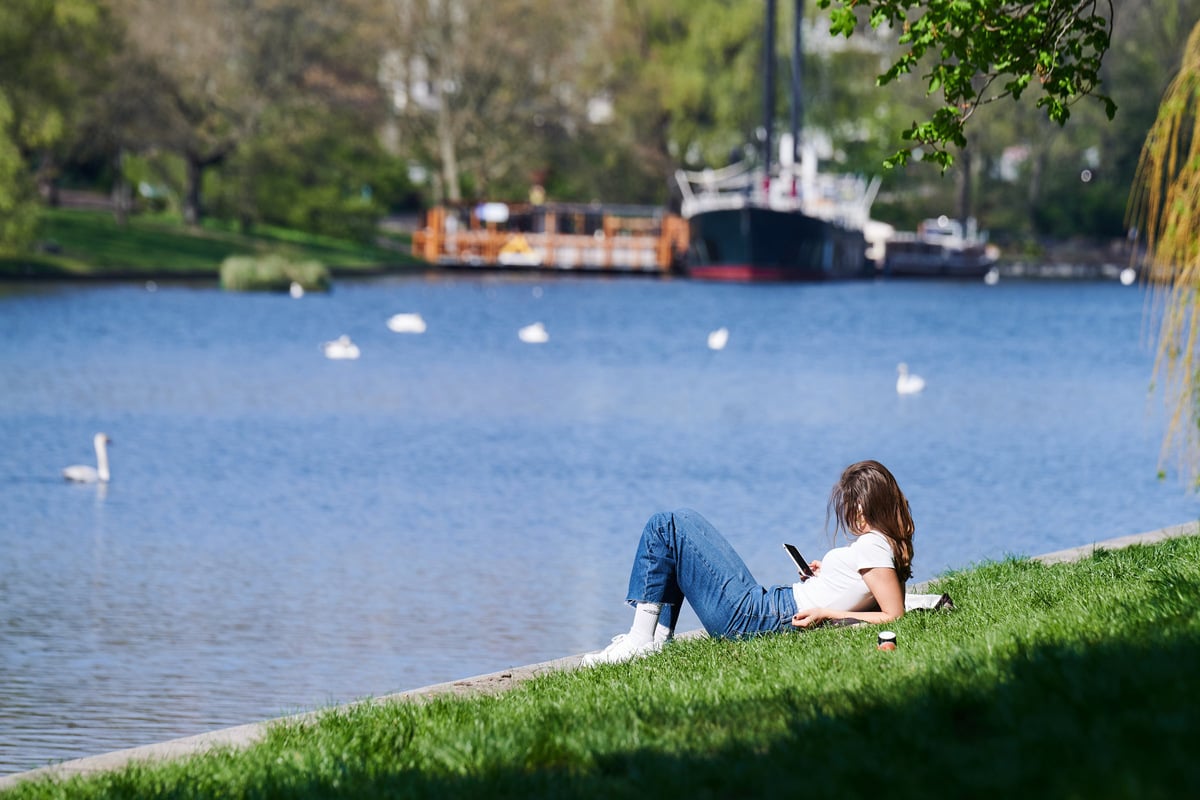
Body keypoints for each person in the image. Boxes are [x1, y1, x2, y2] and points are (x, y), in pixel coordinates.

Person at [581, 460, 915, 666]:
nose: (849, 514)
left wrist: (828, 613)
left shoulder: (873, 546)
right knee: (679, 523)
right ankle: (654, 641)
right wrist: (824, 578)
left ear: (866, 505)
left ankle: (641, 641)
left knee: (666, 526)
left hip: (761, 618)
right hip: (768, 608)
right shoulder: (881, 547)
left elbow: (893, 615)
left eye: (851, 505)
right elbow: (871, 593)